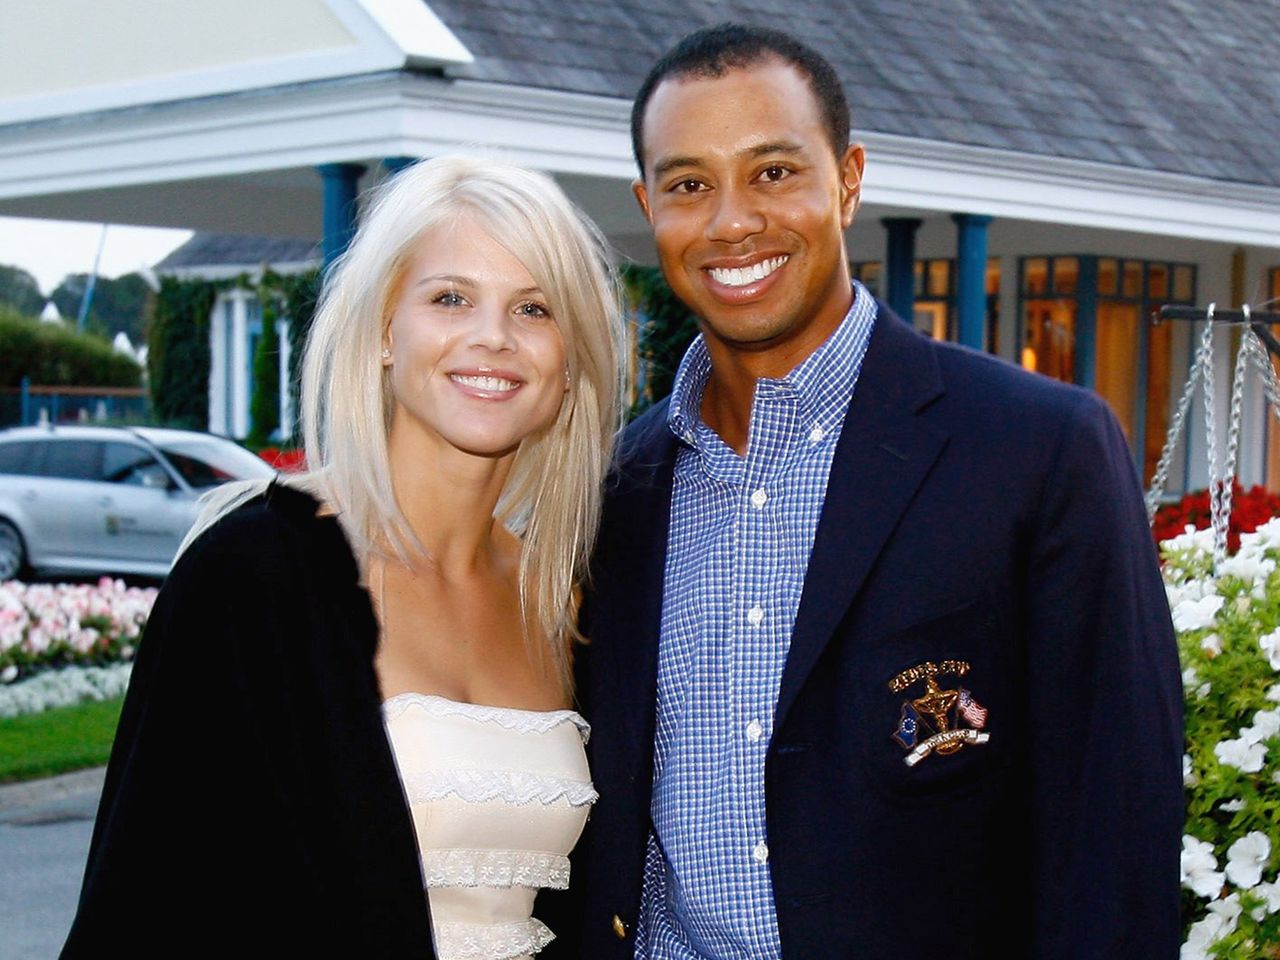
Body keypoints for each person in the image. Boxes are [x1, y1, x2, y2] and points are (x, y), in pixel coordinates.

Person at [566, 23, 1184, 960]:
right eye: (691, 185)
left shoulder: (1038, 450)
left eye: (773, 171)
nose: (732, 221)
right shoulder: (616, 490)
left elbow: (1115, 824)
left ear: (848, 179)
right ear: (650, 206)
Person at [61, 155, 624, 959]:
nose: (492, 337)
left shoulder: (564, 600)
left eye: (534, 308)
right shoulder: (253, 574)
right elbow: (141, 899)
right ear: (384, 331)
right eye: (451, 298)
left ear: (571, 364)